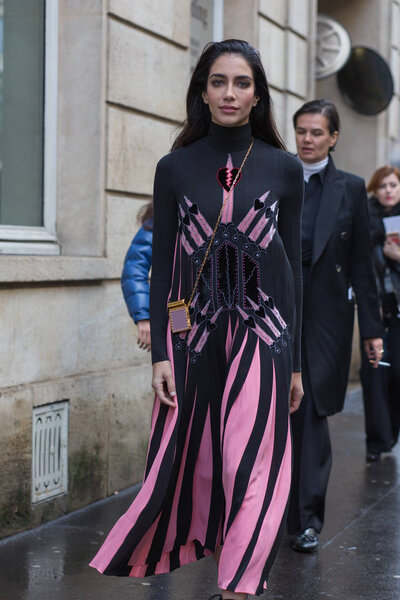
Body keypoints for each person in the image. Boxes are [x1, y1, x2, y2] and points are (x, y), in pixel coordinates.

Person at [90, 39, 304, 599]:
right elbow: (162, 270)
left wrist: (297, 365)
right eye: (218, 81)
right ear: (202, 92)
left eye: (241, 83)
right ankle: (212, 556)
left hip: (265, 338)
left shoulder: (284, 168)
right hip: (194, 341)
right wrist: (161, 350)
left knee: (252, 461)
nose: (229, 93)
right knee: (201, 462)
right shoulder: (174, 168)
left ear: (258, 96)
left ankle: (239, 586)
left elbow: (292, 273)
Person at [288, 99, 383, 553]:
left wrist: (372, 329)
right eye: (301, 131)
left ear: (333, 138)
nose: (307, 139)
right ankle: (261, 512)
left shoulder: (350, 188)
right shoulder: (276, 178)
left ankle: (306, 520)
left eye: (316, 132)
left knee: (310, 412)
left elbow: (363, 265)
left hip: (326, 315)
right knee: (267, 410)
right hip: (275, 307)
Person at [360, 166, 400, 461]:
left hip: (398, 314)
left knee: (396, 375)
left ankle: (390, 432)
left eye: (393, 185)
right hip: (374, 312)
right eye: (382, 185)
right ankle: (375, 442)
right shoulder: (366, 221)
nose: (388, 190)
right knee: (375, 376)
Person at [121, 200, 153, 352]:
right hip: (178, 307)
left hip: (221, 313)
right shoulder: (162, 217)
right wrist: (143, 317)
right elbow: (134, 269)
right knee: (179, 361)